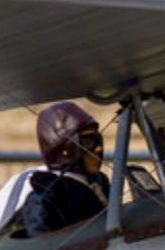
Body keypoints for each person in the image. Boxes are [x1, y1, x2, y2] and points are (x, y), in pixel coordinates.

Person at [15, 101, 110, 237]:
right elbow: (41, 243)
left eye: (98, 140)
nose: (98, 148)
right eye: (88, 141)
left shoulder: (99, 183)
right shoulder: (46, 197)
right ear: (65, 148)